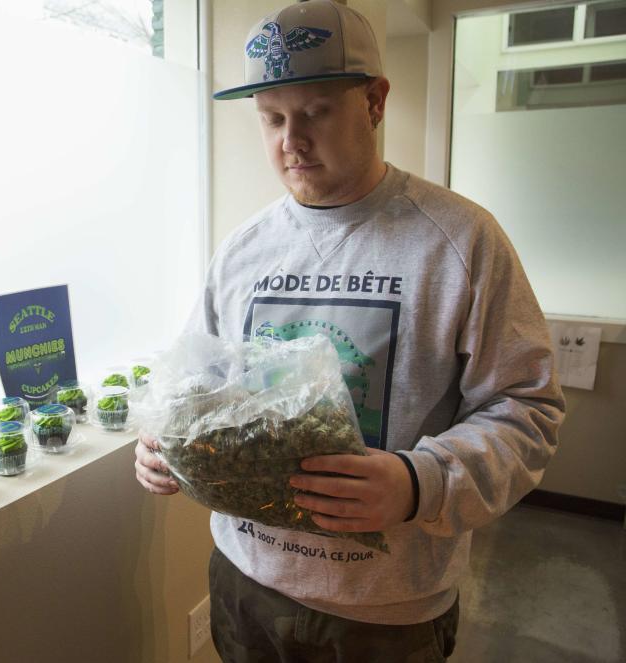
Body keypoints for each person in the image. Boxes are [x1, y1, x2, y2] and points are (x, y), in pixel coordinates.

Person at [133, 1, 565, 661]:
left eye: (315, 112)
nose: (291, 141)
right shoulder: (244, 249)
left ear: (375, 100)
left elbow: (527, 409)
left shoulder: (460, 240)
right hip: (246, 584)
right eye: (272, 118)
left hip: (386, 613)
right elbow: (202, 386)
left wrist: (418, 481)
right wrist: (166, 443)